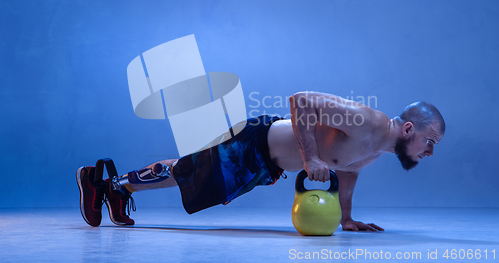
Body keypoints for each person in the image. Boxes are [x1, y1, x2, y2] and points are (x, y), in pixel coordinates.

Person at [76, 91, 445, 231]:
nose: (429, 152)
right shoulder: (367, 121)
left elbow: (347, 171)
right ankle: (102, 184)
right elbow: (301, 100)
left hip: (266, 164)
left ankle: (114, 186)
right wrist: (311, 156)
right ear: (409, 128)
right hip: (253, 142)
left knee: (188, 175)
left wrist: (345, 218)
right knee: (185, 172)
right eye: (430, 142)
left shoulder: (378, 148)